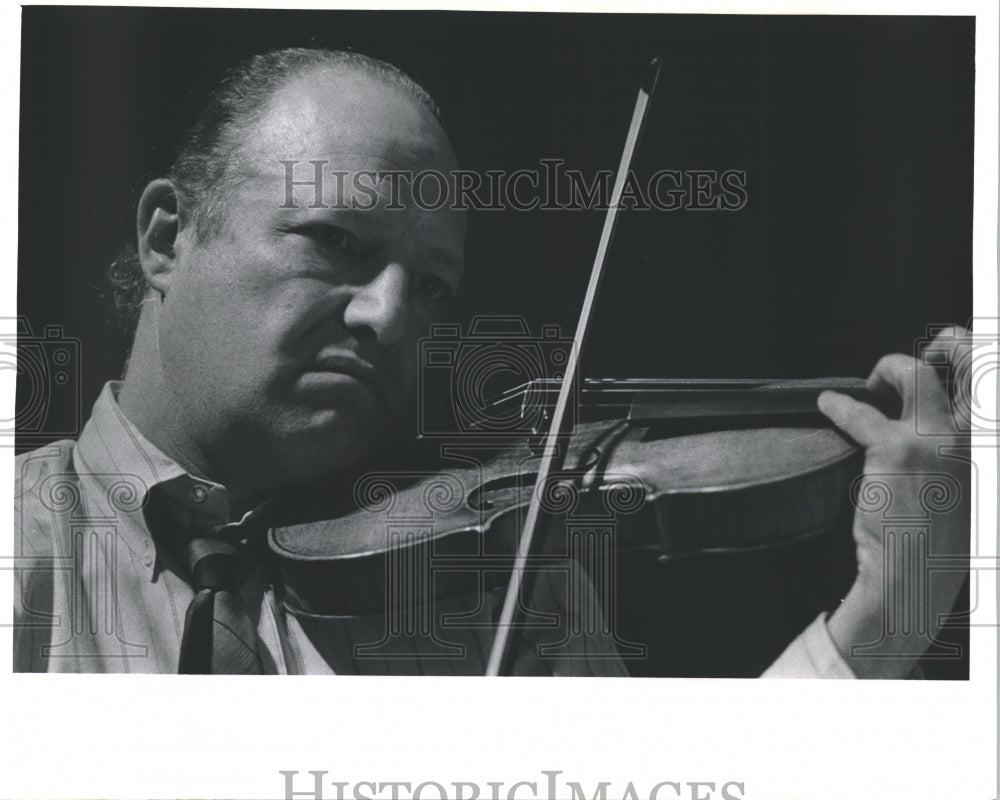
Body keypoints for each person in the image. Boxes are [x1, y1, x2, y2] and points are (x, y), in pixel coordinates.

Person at [12, 47, 971, 676]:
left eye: (429, 285)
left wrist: (891, 608)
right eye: (336, 241)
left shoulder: (505, 588)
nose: (390, 316)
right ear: (168, 238)